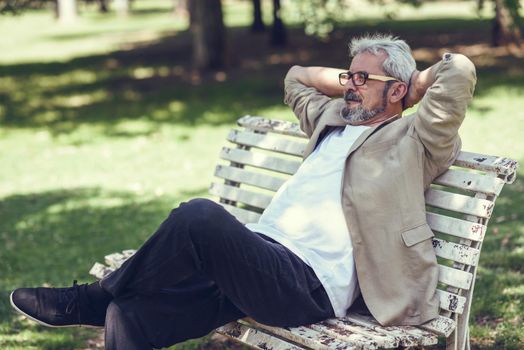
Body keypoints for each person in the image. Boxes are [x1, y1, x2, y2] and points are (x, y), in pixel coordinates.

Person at [10, 33, 476, 350]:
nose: (348, 88)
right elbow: (295, 76)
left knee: (198, 216)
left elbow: (459, 72)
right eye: (347, 78)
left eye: (360, 80)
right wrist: (354, 77)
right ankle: (104, 305)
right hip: (258, 261)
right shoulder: (333, 120)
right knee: (128, 317)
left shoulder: (417, 142)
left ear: (397, 91)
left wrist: (414, 87)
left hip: (306, 283)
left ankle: (87, 299)